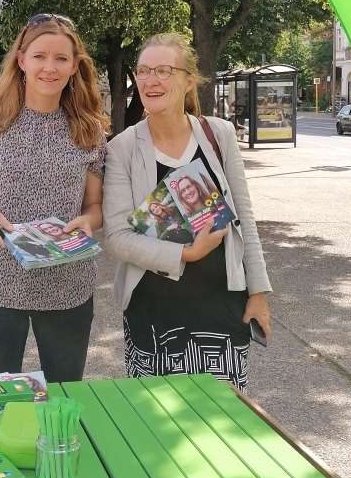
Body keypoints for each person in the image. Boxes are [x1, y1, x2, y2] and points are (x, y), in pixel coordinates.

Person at [103, 32, 271, 390]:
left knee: (222, 427)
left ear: (188, 80)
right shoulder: (122, 148)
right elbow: (117, 239)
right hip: (153, 313)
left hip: (223, 307)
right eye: (144, 71)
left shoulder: (219, 135)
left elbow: (245, 219)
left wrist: (257, 292)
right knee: (155, 429)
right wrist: (187, 252)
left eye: (164, 70)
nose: (150, 80)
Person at [0, 14, 107, 383]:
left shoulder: (90, 130)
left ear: (74, 66)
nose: (49, 67)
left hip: (68, 287)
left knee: (65, 398)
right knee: (1, 404)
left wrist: (90, 222)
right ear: (21, 61)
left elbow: (94, 207)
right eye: (39, 56)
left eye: (61, 58)